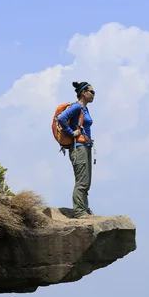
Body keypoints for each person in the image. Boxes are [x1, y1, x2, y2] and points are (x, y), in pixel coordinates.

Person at [57, 81, 95, 219]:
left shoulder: (84, 109)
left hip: (86, 146)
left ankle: (84, 208)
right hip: (78, 147)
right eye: (92, 92)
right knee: (82, 180)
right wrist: (71, 132)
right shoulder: (76, 107)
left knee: (87, 181)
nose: (93, 95)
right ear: (84, 93)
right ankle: (79, 211)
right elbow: (61, 118)